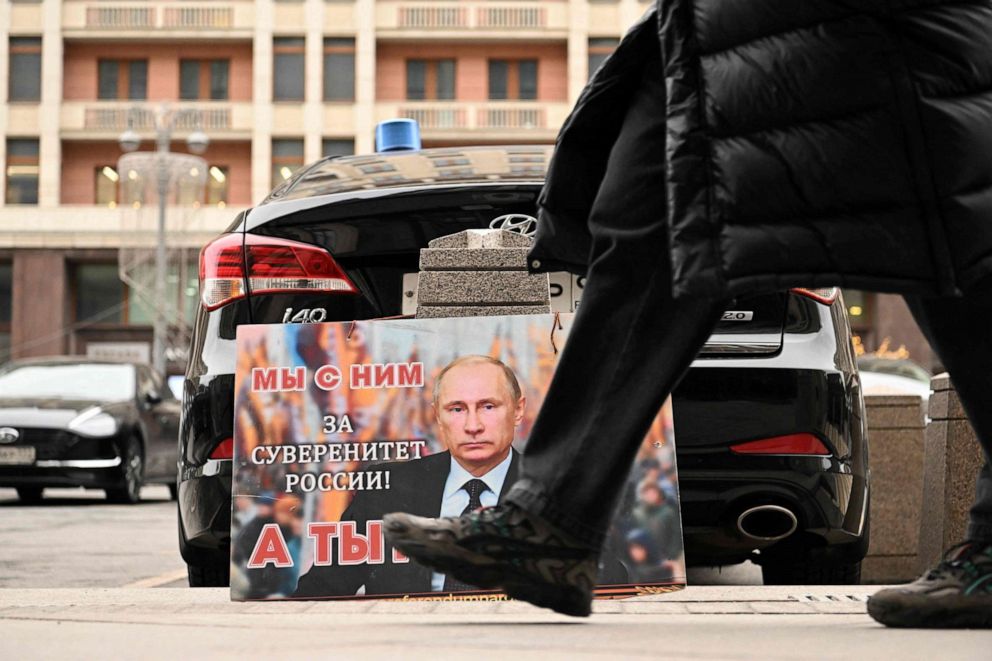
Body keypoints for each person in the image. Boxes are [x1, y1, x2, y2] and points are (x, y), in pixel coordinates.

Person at [383, 0, 992, 626]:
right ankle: (547, 520)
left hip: (874, 25)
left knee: (951, 239)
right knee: (643, 220)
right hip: (704, 27)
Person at [293, 355, 523, 596]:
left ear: (518, 410)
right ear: (437, 416)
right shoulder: (387, 488)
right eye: (457, 409)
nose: (473, 426)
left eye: (488, 407)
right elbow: (321, 589)